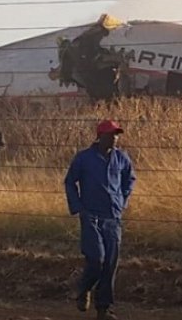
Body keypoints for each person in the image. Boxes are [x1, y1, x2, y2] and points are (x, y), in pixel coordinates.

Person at [64, 120, 136, 320]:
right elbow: (70, 182)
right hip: (91, 215)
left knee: (110, 264)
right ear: (100, 136)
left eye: (116, 134)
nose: (114, 138)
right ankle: (84, 288)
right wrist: (78, 208)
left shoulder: (121, 158)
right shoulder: (84, 158)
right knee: (97, 259)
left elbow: (130, 179)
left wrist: (123, 200)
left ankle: (104, 309)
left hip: (113, 216)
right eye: (110, 134)